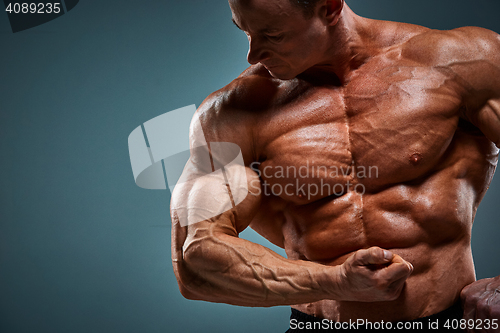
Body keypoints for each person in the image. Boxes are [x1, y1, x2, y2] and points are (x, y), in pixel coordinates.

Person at [170, 0, 500, 331]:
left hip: (446, 321)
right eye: (245, 32)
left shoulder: (462, 62)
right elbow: (194, 263)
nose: (253, 54)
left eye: (272, 34)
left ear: (329, 8)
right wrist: (335, 281)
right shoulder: (232, 114)